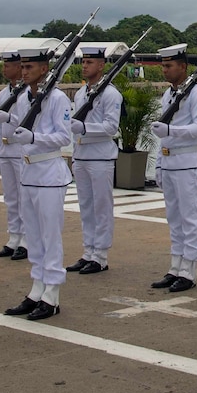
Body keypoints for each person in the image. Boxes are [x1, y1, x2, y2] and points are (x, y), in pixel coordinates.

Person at [1, 49, 74, 320]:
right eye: (22, 67)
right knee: (33, 237)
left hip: (50, 174)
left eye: (29, 66)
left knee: (49, 237)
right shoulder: (23, 99)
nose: (24, 71)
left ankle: (52, 294)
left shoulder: (57, 99)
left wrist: (33, 136)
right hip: (28, 173)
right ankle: (37, 288)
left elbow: (63, 138)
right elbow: (20, 133)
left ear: (44, 69)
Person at [150, 43, 197, 293]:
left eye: (169, 65)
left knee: (189, 218)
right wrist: (159, 164)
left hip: (187, 163)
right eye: (163, 65)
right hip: (170, 162)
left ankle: (189, 270)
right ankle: (175, 265)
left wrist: (172, 131)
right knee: (174, 218)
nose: (164, 70)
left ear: (183, 67)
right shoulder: (168, 95)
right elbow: (164, 137)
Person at [69, 43, 123, 275]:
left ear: (101, 65)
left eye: (90, 62)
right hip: (81, 155)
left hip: (100, 157)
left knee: (101, 207)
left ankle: (100, 256)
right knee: (86, 206)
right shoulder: (81, 93)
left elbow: (111, 127)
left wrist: (84, 128)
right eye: (83, 61)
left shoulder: (111, 94)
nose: (85, 66)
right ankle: (88, 251)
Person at [0, 51, 29, 260]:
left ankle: (25, 240)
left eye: (9, 65)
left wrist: (10, 117)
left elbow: (26, 121)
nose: (5, 69)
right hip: (6, 150)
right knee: (10, 197)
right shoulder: (4, 93)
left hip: (19, 149)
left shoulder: (26, 94)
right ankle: (13, 237)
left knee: (23, 198)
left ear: (19, 67)